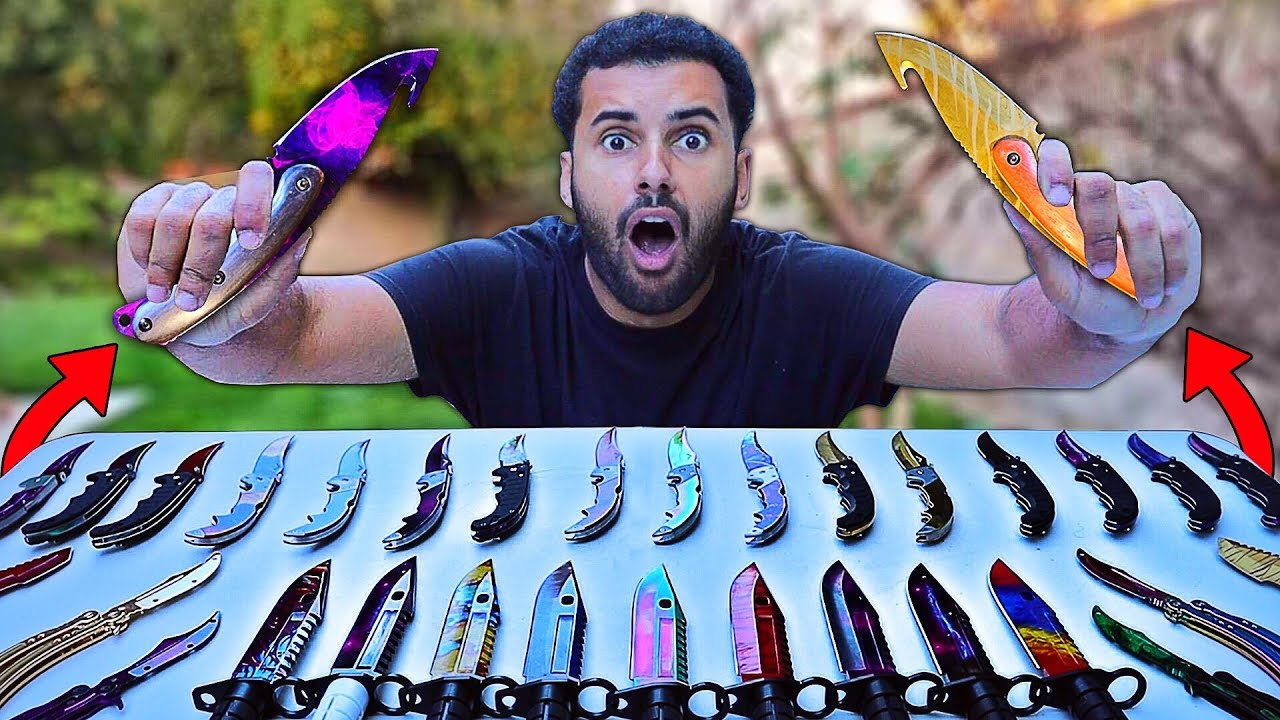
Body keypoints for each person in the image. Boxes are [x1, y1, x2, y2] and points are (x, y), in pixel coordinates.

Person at [115, 12, 1200, 427]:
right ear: (566, 177)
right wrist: (216, 313)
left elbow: (1026, 341)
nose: (650, 173)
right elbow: (285, 340)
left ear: (741, 173)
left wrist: (1108, 311)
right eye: (614, 139)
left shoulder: (809, 293)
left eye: (689, 138)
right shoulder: (496, 288)